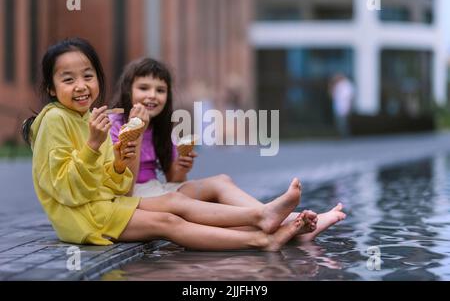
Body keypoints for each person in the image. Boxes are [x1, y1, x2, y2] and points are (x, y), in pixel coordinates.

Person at [22, 37, 317, 252]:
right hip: (80, 218)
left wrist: (119, 162)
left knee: (175, 204)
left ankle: (264, 220)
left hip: (103, 203)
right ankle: (262, 234)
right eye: (68, 79)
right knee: (168, 222)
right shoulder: (55, 121)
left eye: (88, 76)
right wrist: (93, 146)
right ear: (51, 87)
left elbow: (113, 185)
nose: (81, 86)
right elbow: (66, 190)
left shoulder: (88, 116)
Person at [110, 57, 346, 242]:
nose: (152, 95)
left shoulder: (162, 126)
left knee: (221, 180)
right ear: (127, 91)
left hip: (157, 190)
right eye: (144, 88)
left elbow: (173, 179)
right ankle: (292, 222)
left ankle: (279, 220)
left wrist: (182, 166)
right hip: (130, 195)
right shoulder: (115, 124)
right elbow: (123, 188)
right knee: (204, 213)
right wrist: (136, 131)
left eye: (160, 90)